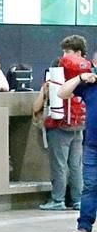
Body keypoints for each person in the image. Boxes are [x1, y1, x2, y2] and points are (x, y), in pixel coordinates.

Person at [34, 37, 87, 212]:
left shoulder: (59, 74)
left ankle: (58, 199)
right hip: (78, 124)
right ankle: (78, 200)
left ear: (78, 53)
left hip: (59, 125)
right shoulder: (86, 74)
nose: (64, 56)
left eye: (68, 52)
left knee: (59, 164)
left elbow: (38, 106)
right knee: (75, 165)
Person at [58, 52, 97, 232]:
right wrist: (80, 77)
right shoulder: (89, 85)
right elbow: (62, 93)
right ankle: (84, 229)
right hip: (92, 145)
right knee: (89, 186)